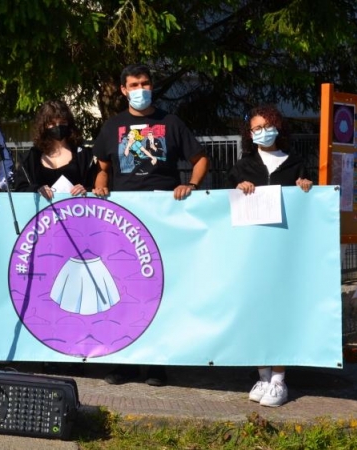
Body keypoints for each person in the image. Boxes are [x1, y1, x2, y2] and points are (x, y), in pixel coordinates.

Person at [92, 63, 209, 387]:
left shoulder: (170, 122)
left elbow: (200, 160)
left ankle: (157, 364)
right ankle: (126, 362)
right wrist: (101, 185)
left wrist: (193, 186)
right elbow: (102, 167)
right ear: (123, 90)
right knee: (124, 290)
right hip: (124, 219)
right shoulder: (112, 126)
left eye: (145, 83)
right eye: (134, 84)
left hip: (163, 219)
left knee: (158, 290)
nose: (140, 88)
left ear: (152, 86)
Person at [227, 104, 313, 407]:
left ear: (279, 127)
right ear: (249, 134)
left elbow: (309, 204)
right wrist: (239, 188)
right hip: (251, 254)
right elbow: (225, 207)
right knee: (255, 312)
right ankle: (262, 376)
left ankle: (279, 379)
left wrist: (305, 187)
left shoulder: (296, 163)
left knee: (280, 313)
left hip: (285, 253)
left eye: (267, 125)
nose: (262, 132)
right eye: (256, 128)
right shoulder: (242, 166)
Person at [13, 100, 94, 199]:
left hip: (77, 211)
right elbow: (20, 190)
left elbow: (97, 188)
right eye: (52, 124)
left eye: (62, 122)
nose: (58, 127)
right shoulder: (30, 158)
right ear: (43, 127)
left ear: (69, 124)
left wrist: (86, 190)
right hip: (40, 213)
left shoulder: (84, 156)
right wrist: (36, 189)